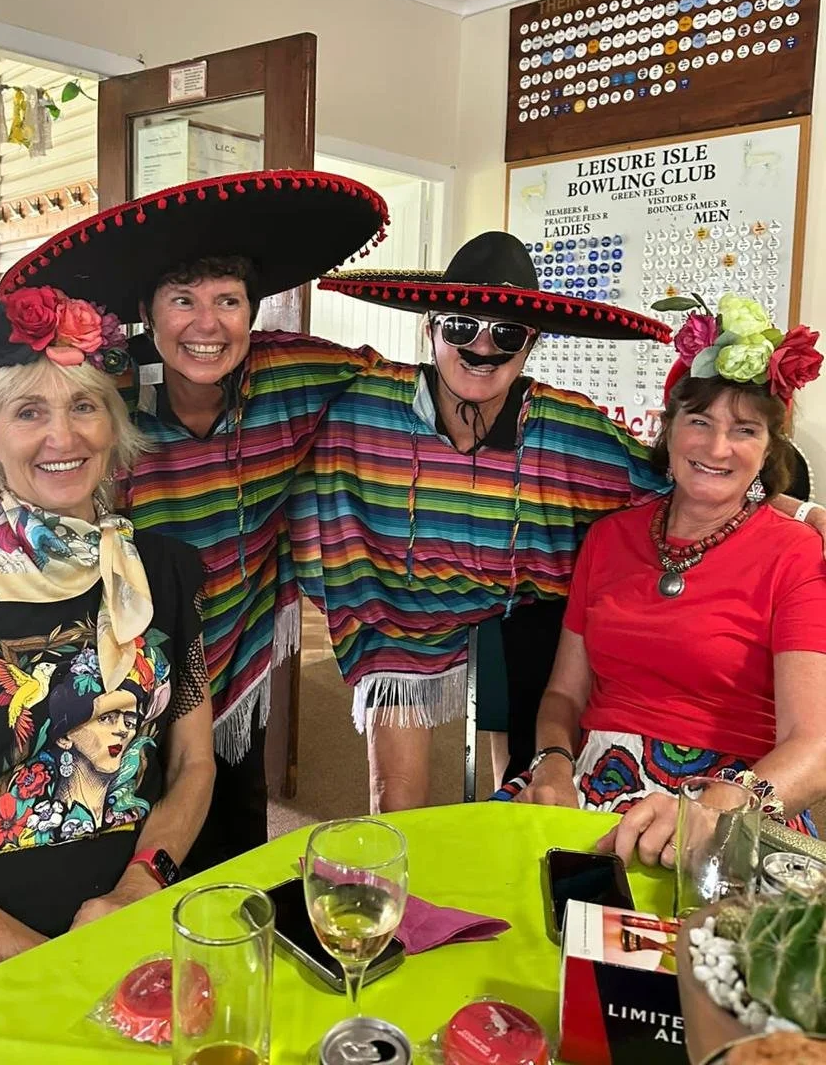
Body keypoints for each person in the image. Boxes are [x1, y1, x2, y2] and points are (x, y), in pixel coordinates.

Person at [0, 171, 388, 864]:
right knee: (113, 845)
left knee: (230, 849)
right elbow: (22, 459)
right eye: (183, 300)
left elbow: (403, 391)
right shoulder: (104, 393)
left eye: (228, 301)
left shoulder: (294, 372)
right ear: (147, 310)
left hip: (233, 660)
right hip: (118, 672)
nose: (207, 325)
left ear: (252, 311)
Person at [0, 288, 214, 1019]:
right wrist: (67, 967)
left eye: (84, 407)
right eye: (29, 412)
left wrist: (143, 882)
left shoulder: (167, 575)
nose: (66, 436)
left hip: (136, 910)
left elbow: (191, 764)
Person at [286, 233, 677, 812]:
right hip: (394, 613)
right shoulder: (361, 402)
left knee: (526, 800)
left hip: (526, 615)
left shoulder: (565, 425)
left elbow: (673, 484)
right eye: (462, 327)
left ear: (531, 344)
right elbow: (268, 412)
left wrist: (794, 510)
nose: (483, 347)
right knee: (395, 805)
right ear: (430, 328)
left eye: (507, 333)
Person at [495, 293, 826, 865]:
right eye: (700, 421)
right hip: (592, 779)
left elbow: (814, 747)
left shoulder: (796, 554)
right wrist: (550, 760)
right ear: (666, 429)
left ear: (768, 449)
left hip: (735, 797)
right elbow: (563, 694)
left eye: (744, 430)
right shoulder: (609, 538)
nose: (718, 448)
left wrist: (718, 806)